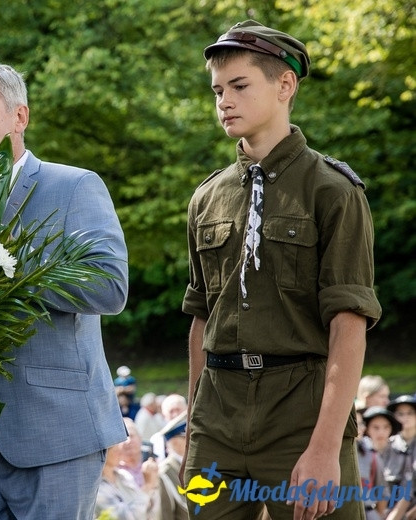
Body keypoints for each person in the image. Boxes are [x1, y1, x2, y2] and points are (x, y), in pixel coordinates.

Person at [183, 20, 382, 519]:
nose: (223, 101)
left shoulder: (332, 191)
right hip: (217, 421)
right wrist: (193, 427)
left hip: (301, 412)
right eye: (217, 90)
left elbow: (348, 325)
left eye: (239, 86)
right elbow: (202, 318)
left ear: (285, 85)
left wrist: (324, 446)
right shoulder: (207, 197)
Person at [0, 60, 129, 519]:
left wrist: (5, 260)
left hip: (58, 432)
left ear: (19, 117)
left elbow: (110, 286)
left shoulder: (74, 186)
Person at [95, 428, 160, 519]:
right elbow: (126, 518)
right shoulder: (97, 490)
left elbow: (149, 511)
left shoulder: (124, 476)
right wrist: (147, 485)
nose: (119, 447)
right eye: (114, 445)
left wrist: (153, 484)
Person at [360, 406, 402, 519]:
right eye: (376, 427)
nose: (381, 432)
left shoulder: (401, 453)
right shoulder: (360, 452)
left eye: (386, 427)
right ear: (366, 429)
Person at [387, 395, 416, 519]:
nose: (405, 417)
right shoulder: (388, 445)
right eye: (400, 413)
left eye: (410, 413)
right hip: (389, 510)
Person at [156, 410, 189, 520]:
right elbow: (165, 513)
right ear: (175, 442)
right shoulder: (165, 472)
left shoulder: (195, 465)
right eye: (187, 438)